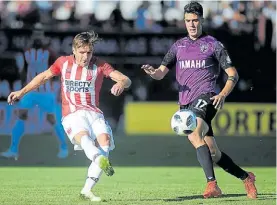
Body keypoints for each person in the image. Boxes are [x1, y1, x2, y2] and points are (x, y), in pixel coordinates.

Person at [142, 1, 257, 199]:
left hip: (207, 98)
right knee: (213, 153)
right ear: (184, 22)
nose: (192, 24)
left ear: (202, 20)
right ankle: (247, 177)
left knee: (194, 134)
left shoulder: (213, 44)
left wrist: (222, 94)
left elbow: (233, 74)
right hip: (186, 105)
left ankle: (212, 185)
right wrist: (153, 72)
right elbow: (161, 73)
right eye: (188, 21)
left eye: (195, 20)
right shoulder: (178, 46)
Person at [7, 31, 132, 202]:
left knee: (106, 143)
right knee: (85, 138)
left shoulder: (100, 65)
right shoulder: (63, 63)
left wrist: (121, 83)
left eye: (89, 52)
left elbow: (126, 79)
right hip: (72, 114)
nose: (86, 56)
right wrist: (21, 92)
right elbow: (43, 77)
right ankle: (99, 158)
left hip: (94, 113)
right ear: (74, 50)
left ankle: (87, 190)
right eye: (82, 52)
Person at [1, 30, 68, 160]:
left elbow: (58, 72)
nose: (37, 37)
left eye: (40, 34)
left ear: (43, 36)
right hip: (30, 92)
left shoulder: (50, 53)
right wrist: (22, 89)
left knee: (51, 119)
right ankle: (13, 150)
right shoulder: (26, 52)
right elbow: (22, 72)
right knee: (21, 116)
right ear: (32, 36)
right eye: (35, 34)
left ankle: (64, 147)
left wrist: (59, 89)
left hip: (46, 92)